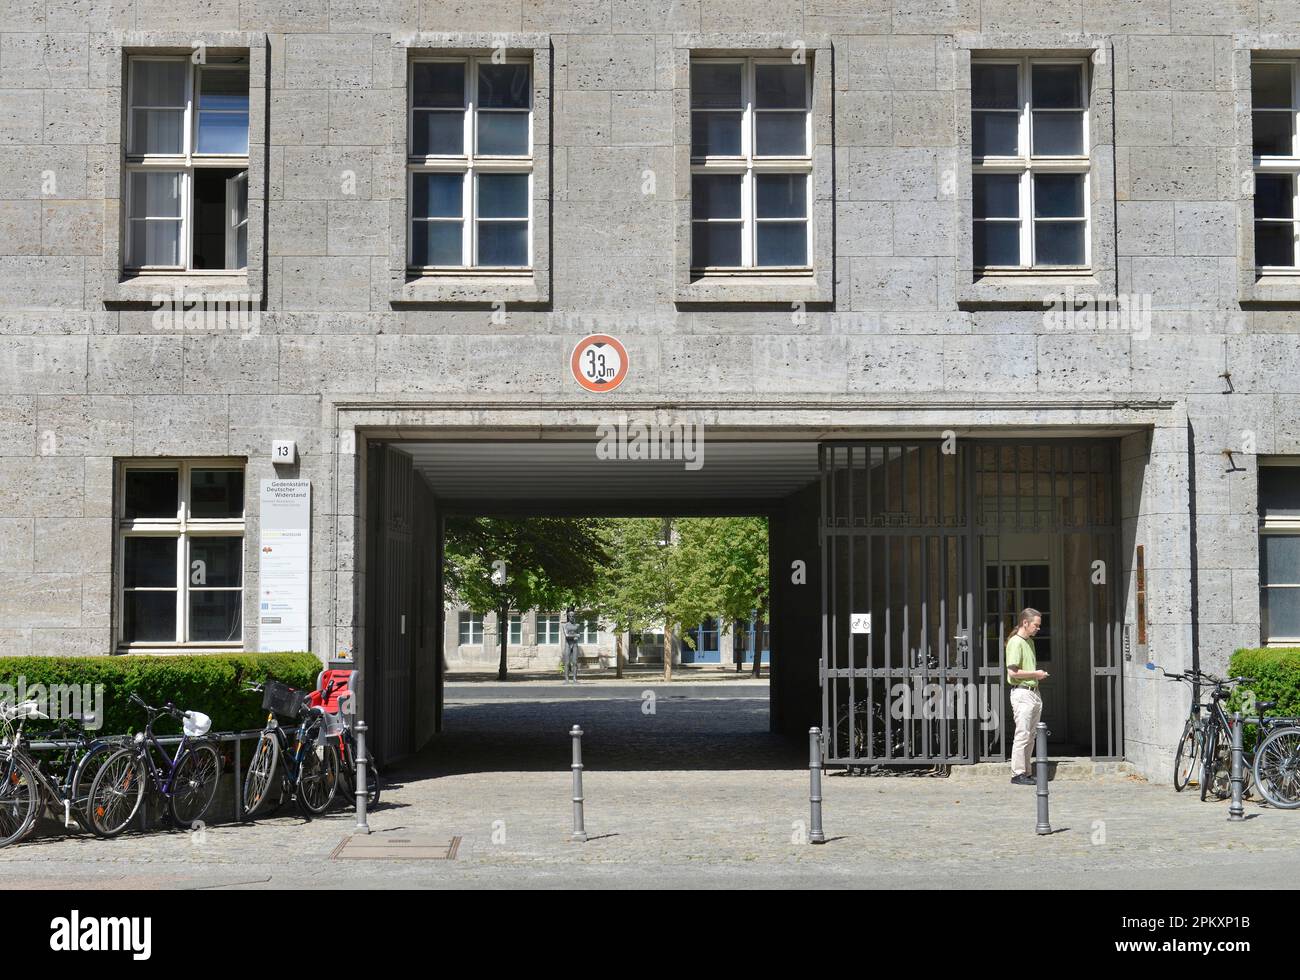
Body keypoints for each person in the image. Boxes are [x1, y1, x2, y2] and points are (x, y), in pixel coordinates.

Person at [1006, 608, 1049, 785]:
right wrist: (1036, 674)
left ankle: (1026, 771)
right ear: (1025, 623)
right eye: (1036, 625)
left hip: (1033, 693)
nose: (1038, 628)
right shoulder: (1016, 642)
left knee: (1030, 735)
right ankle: (1017, 773)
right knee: (1023, 734)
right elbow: (1012, 672)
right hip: (1022, 692)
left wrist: (1036, 677)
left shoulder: (1029, 642)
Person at [561, 608, 580, 685]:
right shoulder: (565, 625)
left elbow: (579, 635)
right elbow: (567, 635)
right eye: (570, 616)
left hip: (575, 645)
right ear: (568, 617)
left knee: (575, 662)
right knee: (567, 663)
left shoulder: (577, 625)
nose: (572, 617)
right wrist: (575, 635)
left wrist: (576, 636)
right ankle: (566, 679)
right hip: (568, 645)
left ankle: (575, 679)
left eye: (573, 616)